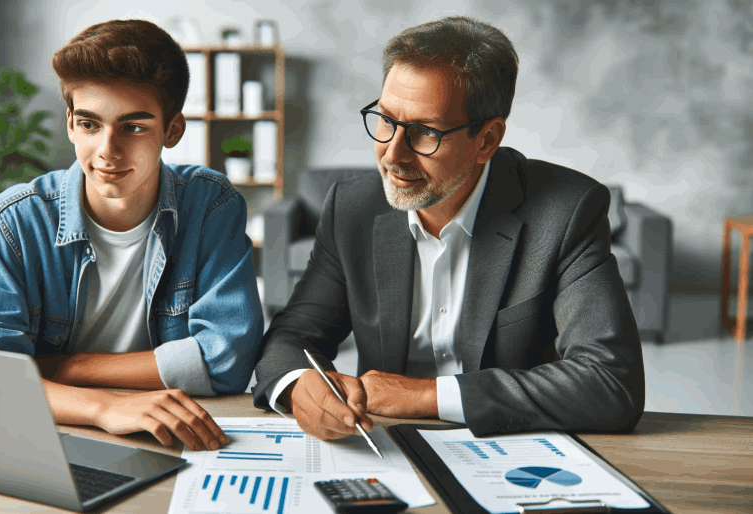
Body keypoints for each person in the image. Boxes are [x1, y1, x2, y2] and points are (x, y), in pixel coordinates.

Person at [251, 16, 645, 440]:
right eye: (386, 120)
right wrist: (297, 385)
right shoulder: (351, 207)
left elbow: (611, 383)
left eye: (424, 132)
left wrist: (426, 396)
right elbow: (291, 338)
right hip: (384, 447)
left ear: (488, 140)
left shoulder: (566, 210)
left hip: (509, 449)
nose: (392, 154)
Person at [0, 19, 263, 452]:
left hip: (167, 427)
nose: (108, 151)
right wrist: (103, 406)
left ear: (172, 130)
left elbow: (227, 359)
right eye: (91, 124)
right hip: (51, 429)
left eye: (134, 127)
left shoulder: (210, 205)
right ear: (72, 124)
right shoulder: (13, 221)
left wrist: (71, 367)